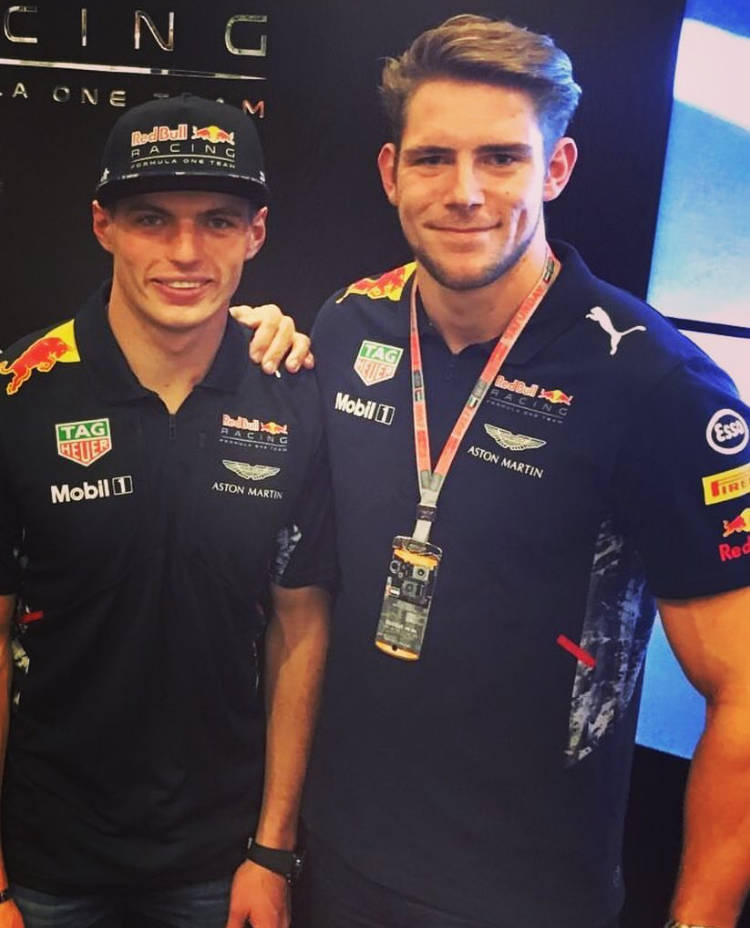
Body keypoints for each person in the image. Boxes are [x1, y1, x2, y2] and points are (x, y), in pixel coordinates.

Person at [235, 13, 750, 928]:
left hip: (529, 898)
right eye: (433, 159)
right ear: (391, 172)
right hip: (336, 867)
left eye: (502, 158)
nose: (464, 192)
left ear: (557, 168)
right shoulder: (347, 325)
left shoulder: (657, 384)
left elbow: (742, 688)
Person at [0, 93, 335, 928]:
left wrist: (272, 850)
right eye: (152, 219)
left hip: (219, 864)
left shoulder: (294, 396)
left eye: (217, 221)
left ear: (255, 233)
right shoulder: (20, 394)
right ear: (103, 225)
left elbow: (299, 627)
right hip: (43, 862)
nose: (185, 253)